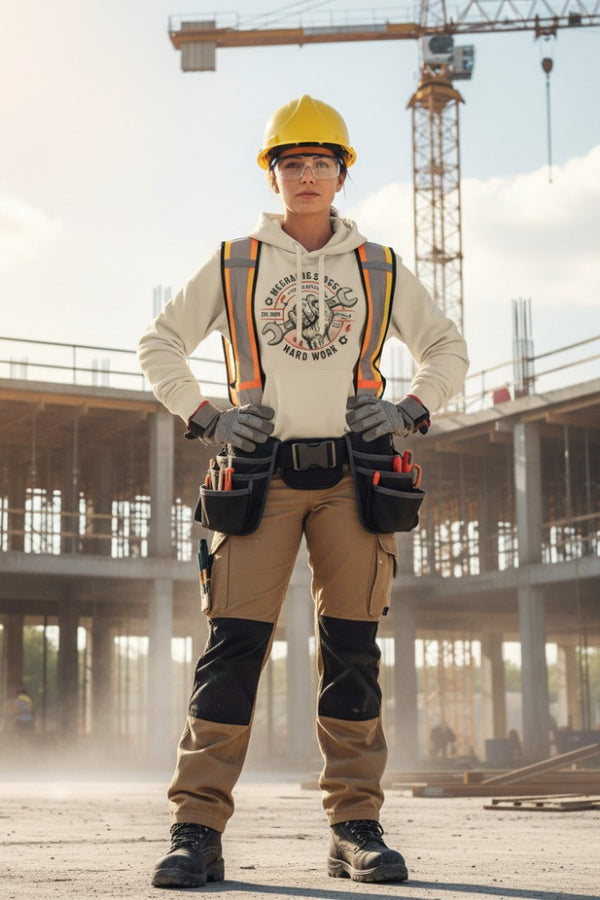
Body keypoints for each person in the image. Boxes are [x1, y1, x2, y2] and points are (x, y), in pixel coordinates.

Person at [138, 94, 469, 889]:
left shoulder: (380, 267)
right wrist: (209, 417)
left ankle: (355, 824)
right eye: (293, 163)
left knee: (352, 655)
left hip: (358, 481)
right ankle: (196, 830)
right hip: (260, 480)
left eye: (322, 162)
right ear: (275, 175)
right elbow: (160, 343)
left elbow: (445, 347)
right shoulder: (234, 261)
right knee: (233, 652)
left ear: (342, 174)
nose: (308, 175)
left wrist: (408, 409)